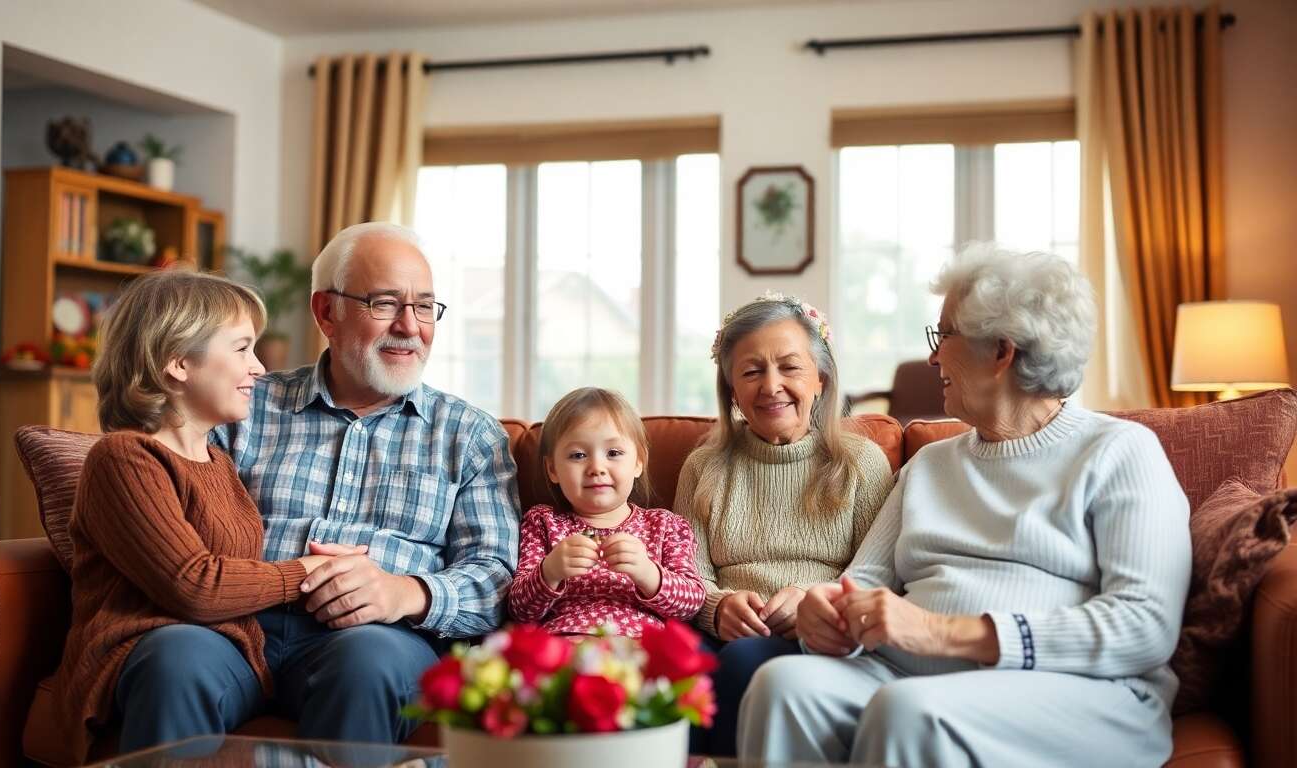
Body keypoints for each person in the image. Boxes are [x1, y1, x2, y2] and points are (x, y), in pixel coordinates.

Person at [738, 246, 1191, 768]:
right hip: (909, 676)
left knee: (910, 712)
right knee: (783, 687)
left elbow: (1144, 626)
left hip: (1075, 689)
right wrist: (830, 613)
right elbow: (864, 580)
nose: (932, 358)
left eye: (944, 335)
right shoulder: (931, 466)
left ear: (1001, 350)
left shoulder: (1119, 452)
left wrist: (940, 632)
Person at [115, 222, 520, 746]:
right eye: (385, 303)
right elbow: (157, 491)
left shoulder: (468, 435)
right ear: (326, 311)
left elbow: (497, 579)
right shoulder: (241, 406)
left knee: (367, 664)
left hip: (375, 638)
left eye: (424, 306)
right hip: (233, 630)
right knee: (172, 659)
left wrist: (405, 592)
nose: (410, 325)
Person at [24, 270, 360, 762]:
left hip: (233, 657)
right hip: (144, 653)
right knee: (178, 658)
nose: (260, 369)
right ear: (178, 362)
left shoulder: (220, 465)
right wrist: (306, 573)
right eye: (242, 349)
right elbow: (194, 585)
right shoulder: (124, 458)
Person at [675, 292, 895, 756]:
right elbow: (686, 574)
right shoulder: (704, 466)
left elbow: (882, 575)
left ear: (821, 378)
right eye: (752, 371)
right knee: (673, 663)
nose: (770, 385)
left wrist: (817, 600)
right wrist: (717, 606)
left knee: (742, 662)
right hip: (720, 631)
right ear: (731, 389)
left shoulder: (861, 464)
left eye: (789, 367)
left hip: (815, 635)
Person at [508, 387, 705, 638]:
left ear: (638, 462)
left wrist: (647, 572)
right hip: (565, 645)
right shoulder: (542, 522)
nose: (596, 467)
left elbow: (691, 606)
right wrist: (550, 571)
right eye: (578, 455)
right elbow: (520, 610)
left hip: (639, 646)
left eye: (613, 453)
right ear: (552, 469)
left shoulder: (664, 526)